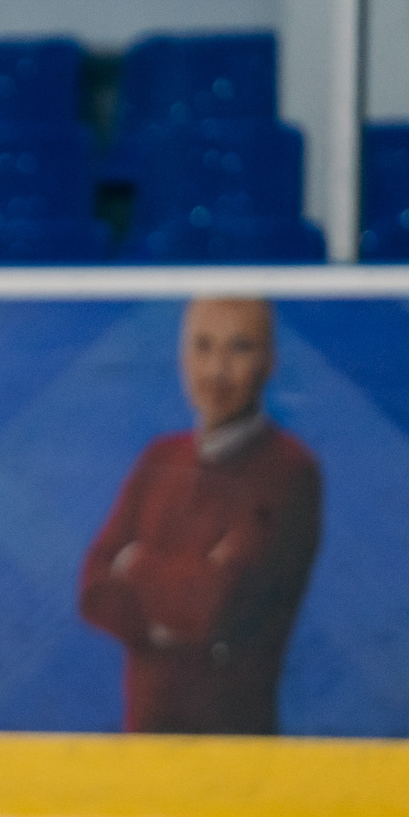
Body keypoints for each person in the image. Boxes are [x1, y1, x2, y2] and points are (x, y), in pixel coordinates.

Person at [78, 296, 322, 735]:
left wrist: (136, 565)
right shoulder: (159, 458)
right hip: (144, 744)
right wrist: (187, 586)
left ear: (269, 362)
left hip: (236, 750)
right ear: (181, 358)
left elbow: (220, 606)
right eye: (203, 347)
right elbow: (94, 589)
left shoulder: (290, 471)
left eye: (239, 348)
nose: (217, 371)